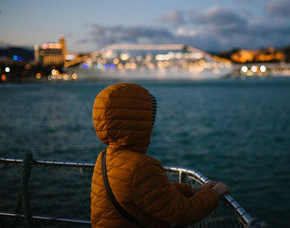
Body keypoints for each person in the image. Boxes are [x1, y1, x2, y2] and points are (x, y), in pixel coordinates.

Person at [91, 83, 229, 227]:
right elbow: (183, 213)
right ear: (140, 122)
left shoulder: (105, 157)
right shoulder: (141, 167)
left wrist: (192, 190)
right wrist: (215, 194)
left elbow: (150, 192)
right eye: (150, 115)